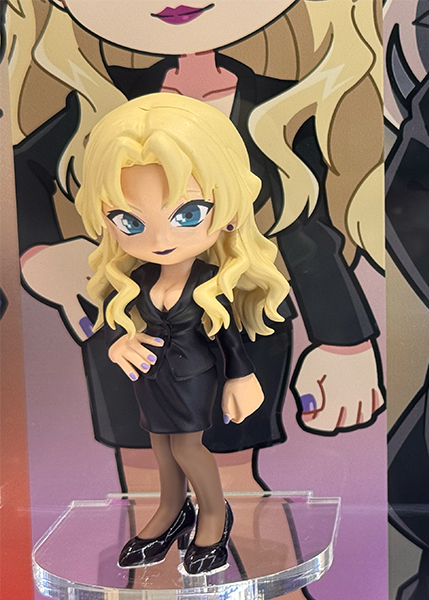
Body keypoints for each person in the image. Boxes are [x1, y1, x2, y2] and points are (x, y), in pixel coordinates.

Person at [7, 0, 384, 472]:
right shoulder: (105, 103)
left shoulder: (283, 108)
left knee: (232, 473)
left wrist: (343, 341)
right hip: (134, 324)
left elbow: (305, 228)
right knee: (144, 471)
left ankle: (216, 517)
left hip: (239, 314)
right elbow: (26, 168)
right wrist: (41, 254)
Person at [75, 94, 289, 574]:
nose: (159, 240)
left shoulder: (209, 283)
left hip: (194, 377)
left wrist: (241, 378)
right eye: (130, 221)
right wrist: (119, 343)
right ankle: (170, 511)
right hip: (151, 378)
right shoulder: (136, 281)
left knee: (188, 446)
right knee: (158, 444)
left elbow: (228, 337)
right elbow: (111, 322)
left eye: (187, 214)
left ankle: (213, 514)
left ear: (228, 210)